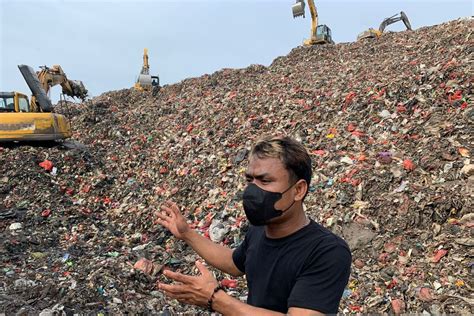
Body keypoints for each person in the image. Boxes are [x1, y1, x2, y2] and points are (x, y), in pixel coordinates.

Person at [156, 136, 351, 315]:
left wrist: (216, 299)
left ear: (298, 190)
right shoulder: (260, 230)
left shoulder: (327, 251)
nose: (252, 190)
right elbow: (235, 263)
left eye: (265, 181)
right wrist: (187, 234)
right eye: (250, 180)